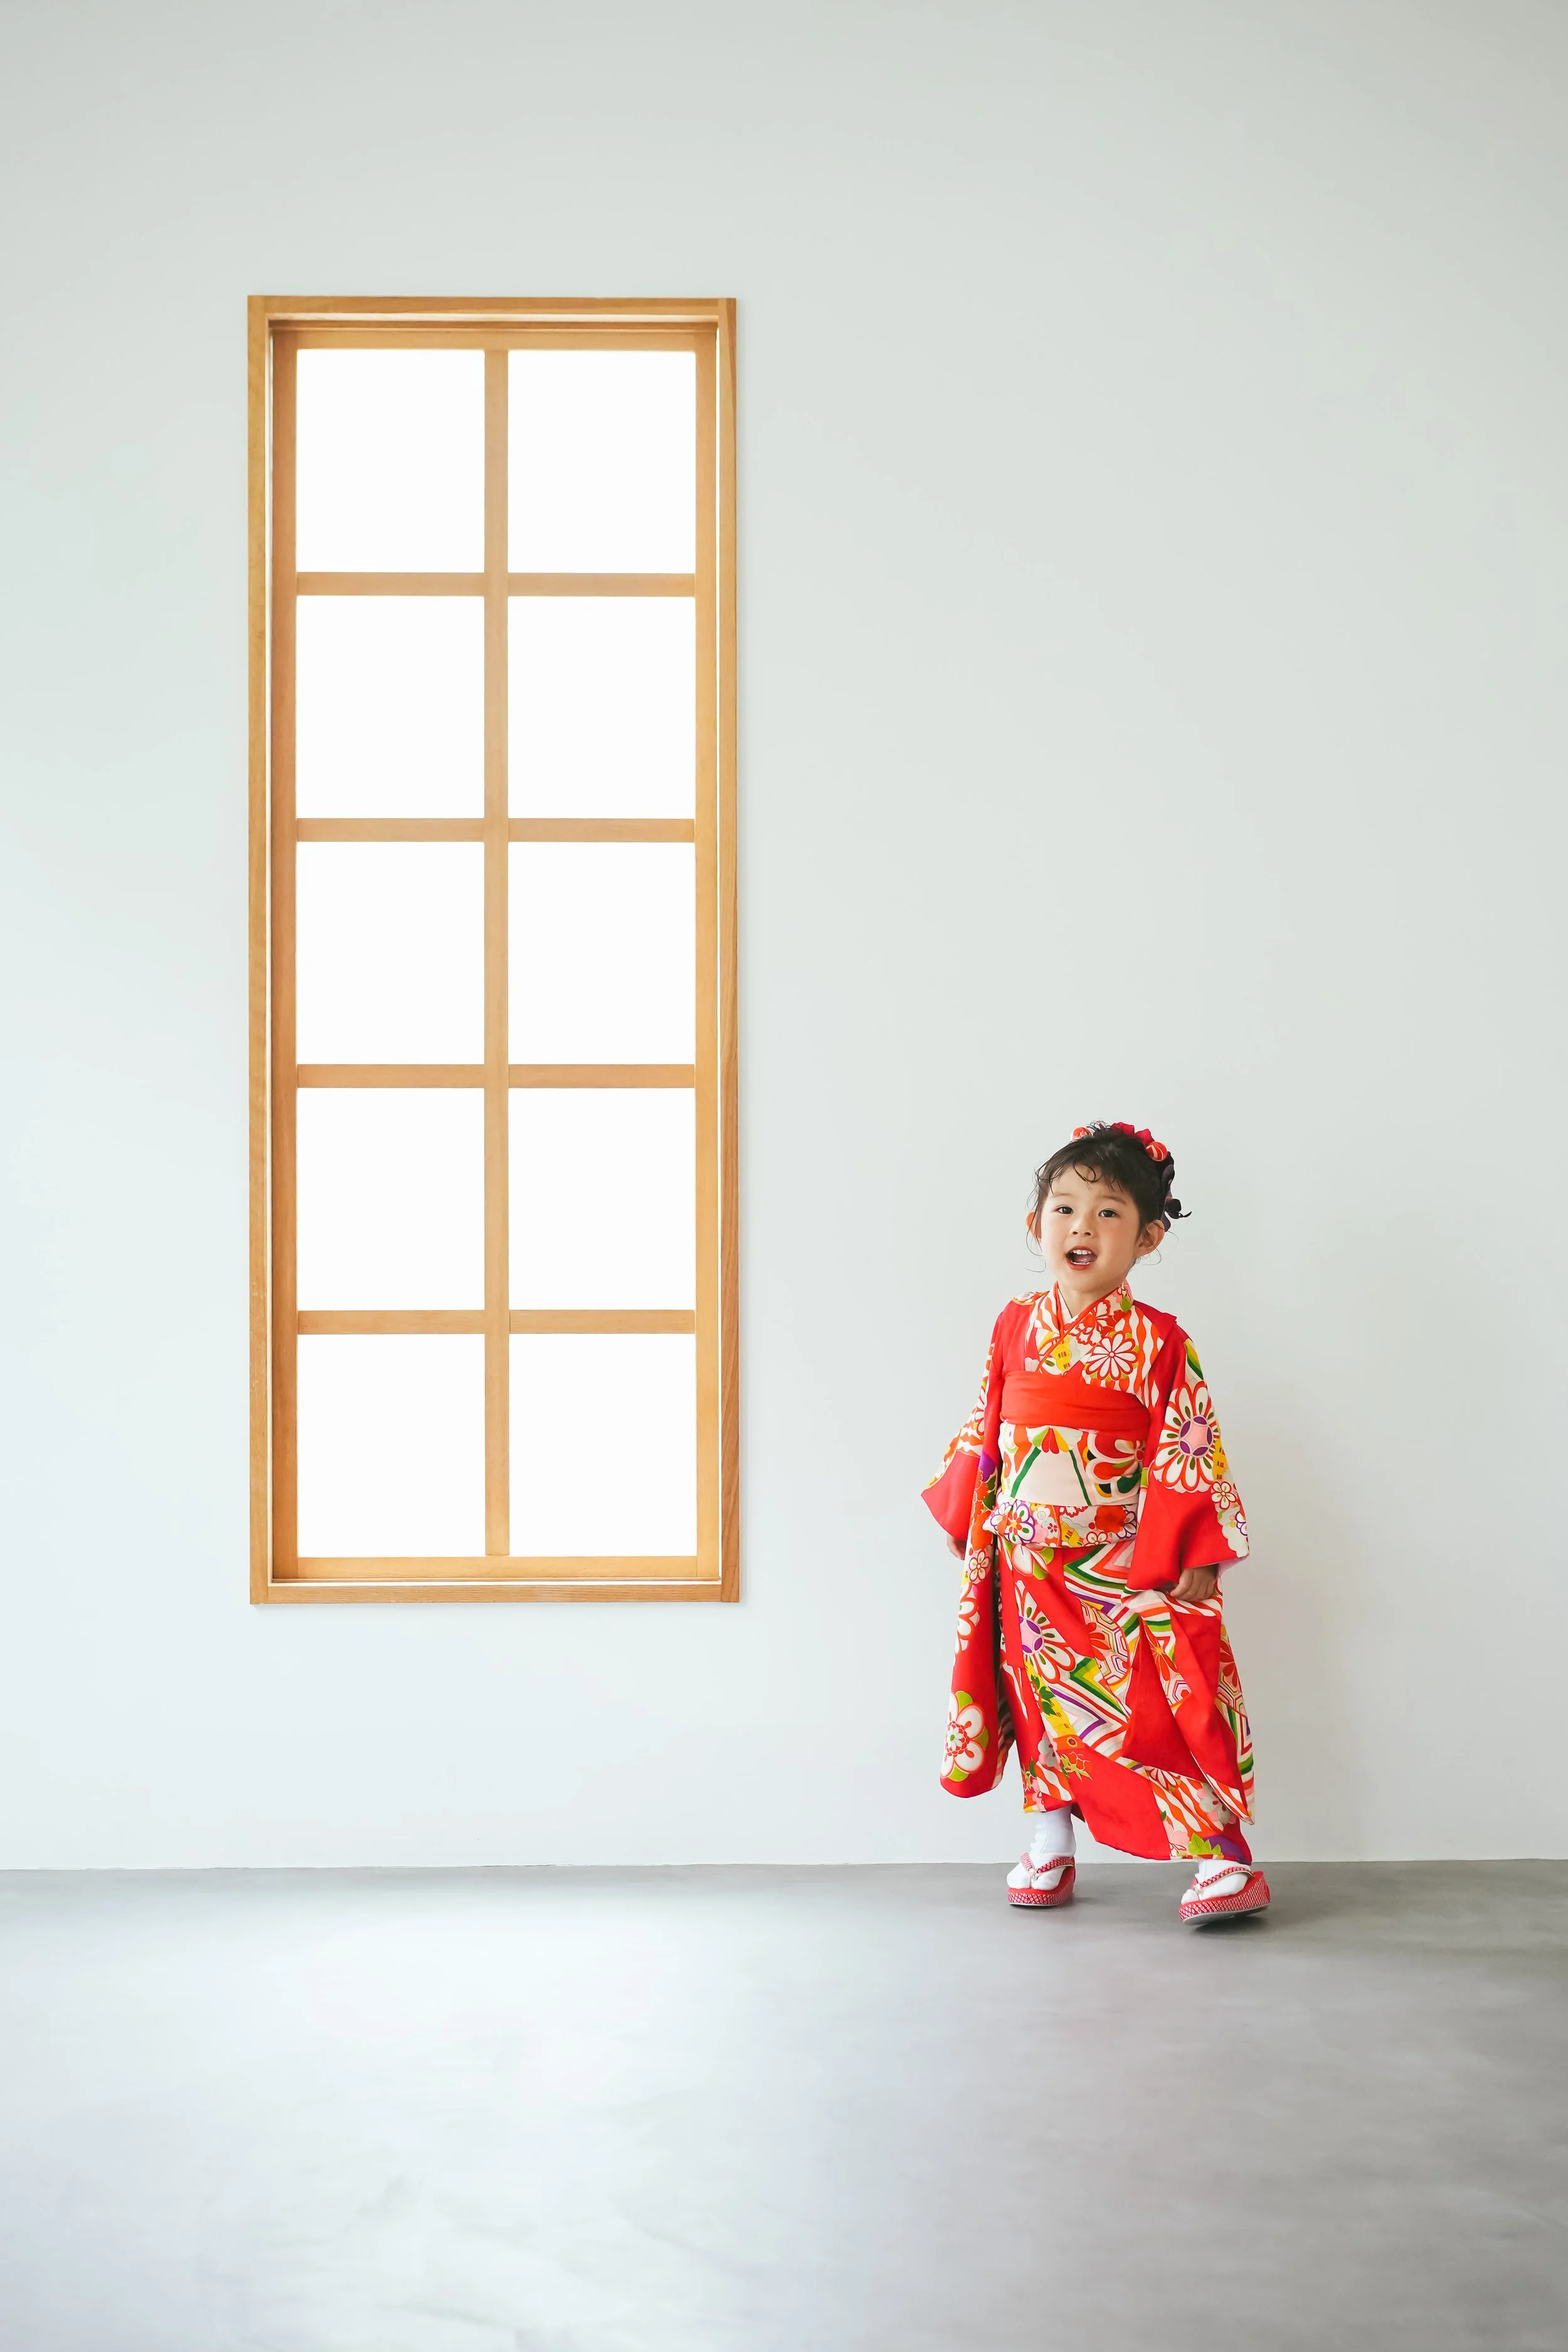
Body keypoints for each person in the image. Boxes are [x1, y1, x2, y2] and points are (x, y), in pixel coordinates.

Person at [923, 1121, 1268, 1924]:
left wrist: (1196, 1549)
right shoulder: (1014, 1322)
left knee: (1154, 1703)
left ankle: (1223, 1857)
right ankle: (1049, 1841)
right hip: (1024, 1558)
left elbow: (1188, 1446)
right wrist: (966, 1504)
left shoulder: (1159, 1341)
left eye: (1108, 1213)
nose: (1082, 1226)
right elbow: (986, 1423)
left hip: (1116, 1559)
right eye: (1065, 1208)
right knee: (1038, 1699)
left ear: (1147, 1238)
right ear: (1035, 1223)